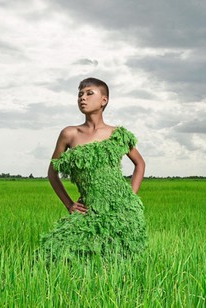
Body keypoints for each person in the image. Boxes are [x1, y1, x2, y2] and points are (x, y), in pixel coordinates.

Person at [37, 77, 148, 260]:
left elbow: (140, 164)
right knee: (55, 252)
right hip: (89, 208)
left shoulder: (117, 134)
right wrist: (69, 204)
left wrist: (132, 197)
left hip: (122, 210)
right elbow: (52, 172)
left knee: (118, 258)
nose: (83, 98)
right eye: (80, 94)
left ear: (104, 100)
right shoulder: (69, 134)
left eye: (89, 93)